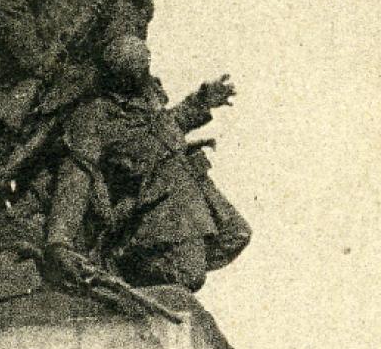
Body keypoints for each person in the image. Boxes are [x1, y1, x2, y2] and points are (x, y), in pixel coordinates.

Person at [45, 35, 251, 295]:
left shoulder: (146, 99)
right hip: (151, 205)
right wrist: (59, 241)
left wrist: (201, 102)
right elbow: (76, 175)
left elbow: (165, 126)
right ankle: (120, 259)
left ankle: (139, 259)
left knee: (236, 234)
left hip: (188, 188)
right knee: (187, 273)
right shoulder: (94, 116)